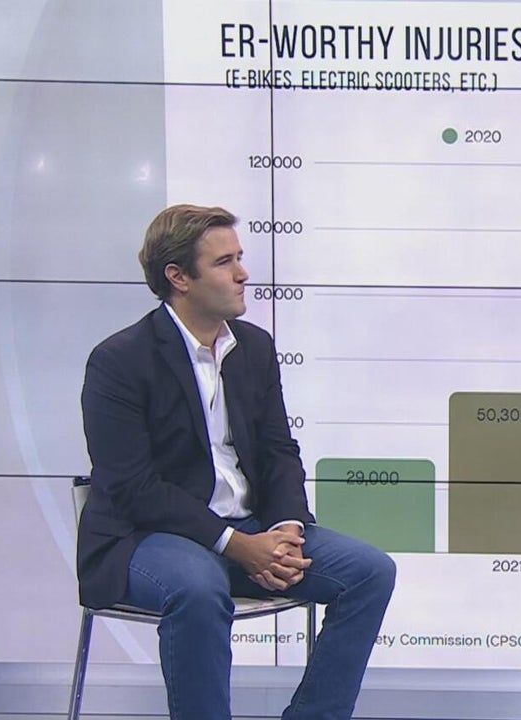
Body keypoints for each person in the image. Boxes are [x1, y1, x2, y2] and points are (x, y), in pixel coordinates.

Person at [78, 204, 397, 720]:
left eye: (240, 258)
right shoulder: (119, 361)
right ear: (178, 277)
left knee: (370, 572)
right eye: (225, 262)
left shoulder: (253, 347)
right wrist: (238, 546)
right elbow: (134, 488)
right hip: (147, 537)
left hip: (250, 529)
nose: (243, 274)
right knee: (199, 588)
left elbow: (278, 450)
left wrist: (286, 529)